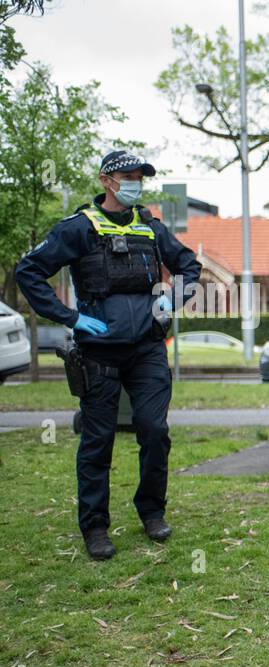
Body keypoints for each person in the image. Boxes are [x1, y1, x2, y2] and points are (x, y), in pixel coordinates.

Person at [16, 150, 200, 560]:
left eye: (140, 176)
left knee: (154, 430)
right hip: (98, 351)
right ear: (106, 180)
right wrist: (70, 317)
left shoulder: (150, 227)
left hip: (148, 349)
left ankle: (152, 511)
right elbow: (28, 271)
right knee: (98, 440)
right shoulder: (80, 228)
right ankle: (95, 527)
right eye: (127, 175)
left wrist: (176, 296)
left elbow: (188, 264)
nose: (135, 181)